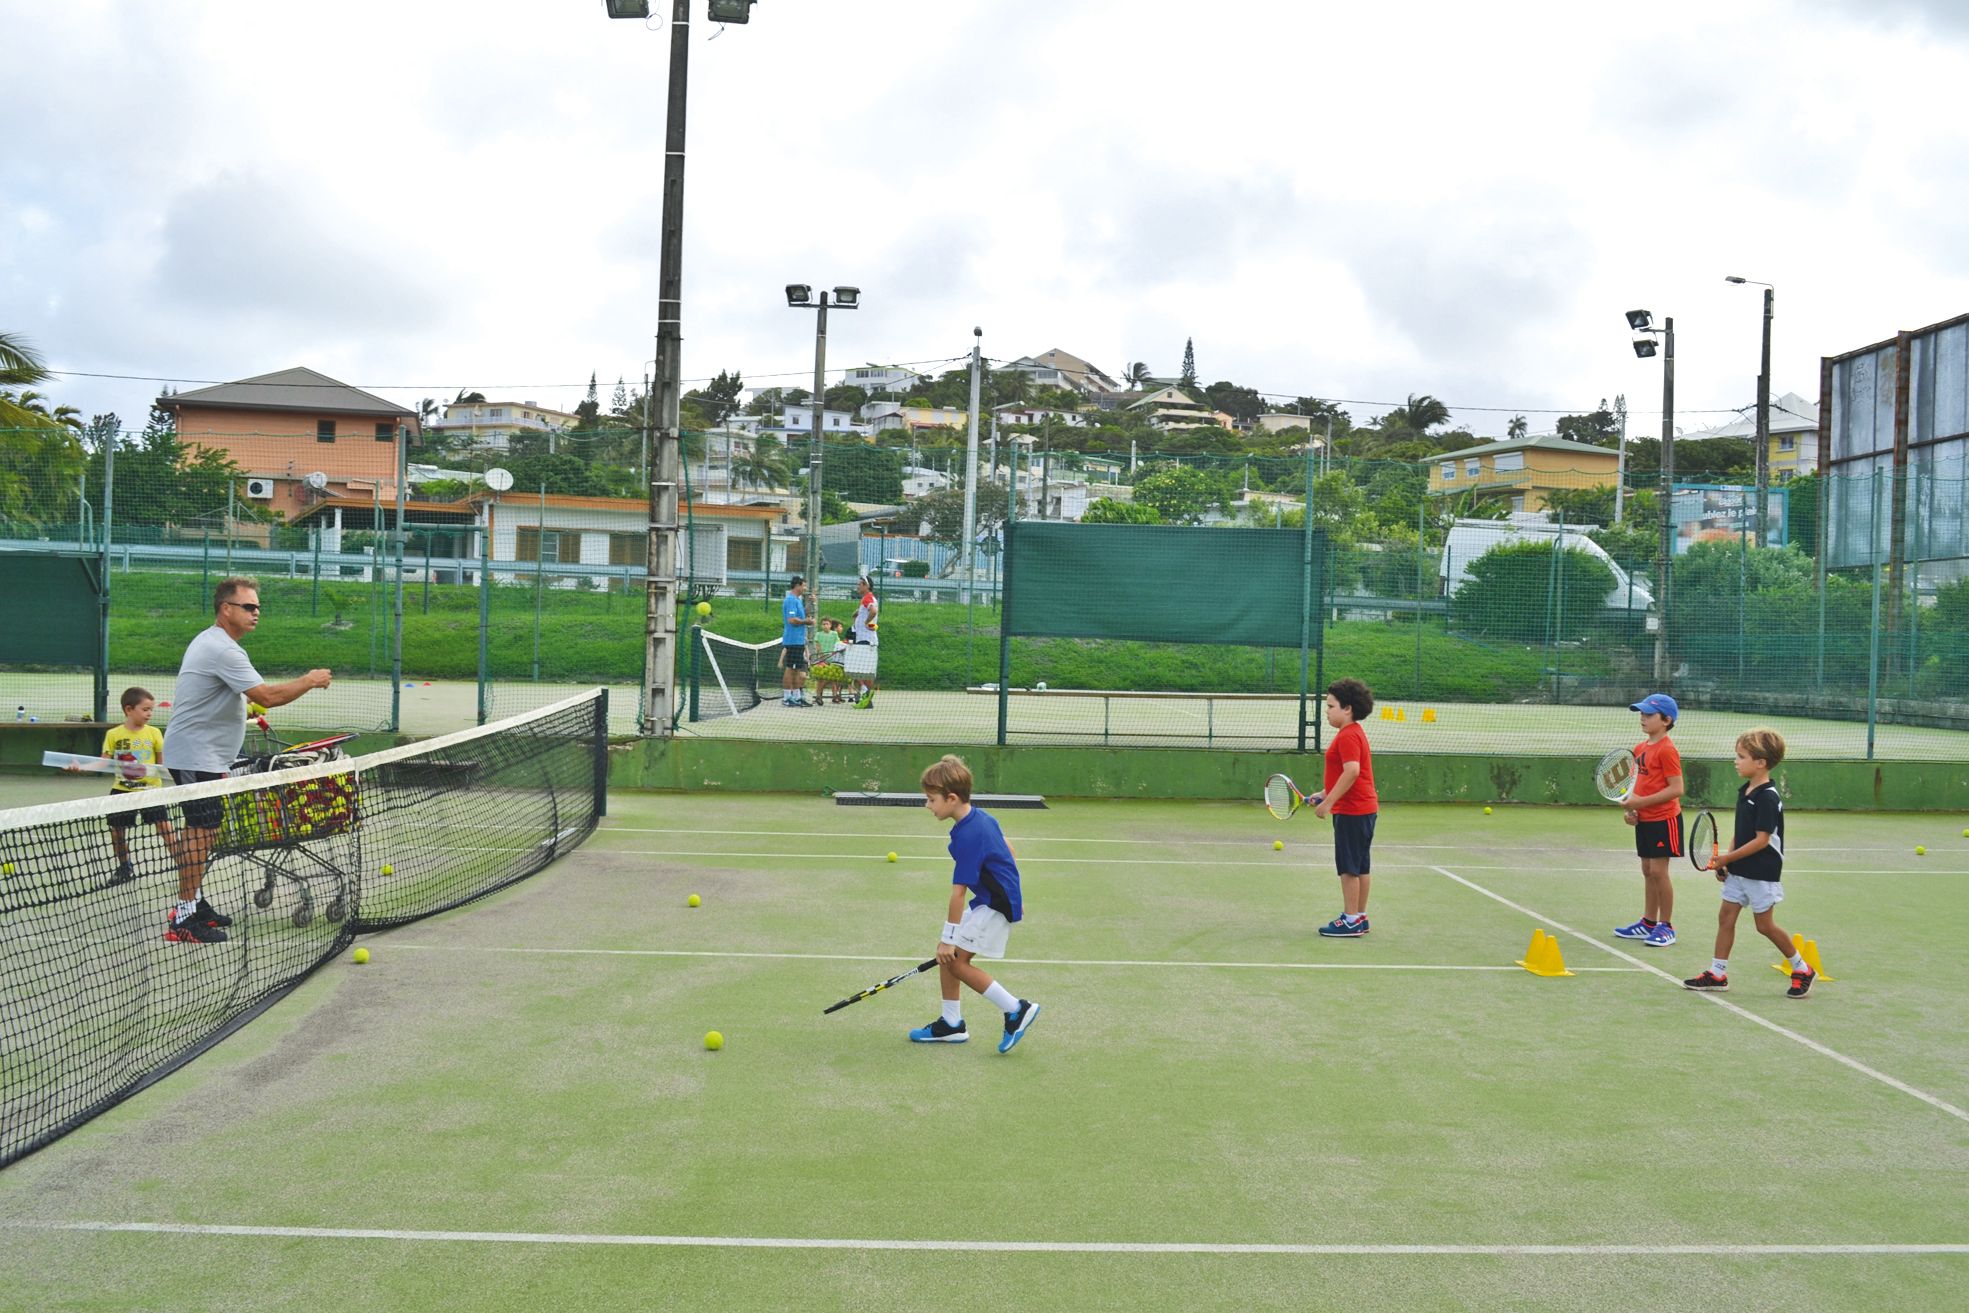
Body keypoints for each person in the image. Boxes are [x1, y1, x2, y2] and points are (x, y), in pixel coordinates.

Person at [160, 577, 331, 944]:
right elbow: (268, 696)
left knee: (205, 834)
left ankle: (195, 903)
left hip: (206, 755)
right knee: (199, 833)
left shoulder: (217, 643)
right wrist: (310, 680)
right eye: (248, 607)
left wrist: (241, 710)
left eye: (258, 607)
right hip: (195, 755)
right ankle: (183, 918)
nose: (256, 613)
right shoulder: (223, 649)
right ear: (226, 609)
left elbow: (233, 696)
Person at [911, 754, 1041, 1053]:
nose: (927, 806)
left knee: (955, 960)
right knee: (949, 959)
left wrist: (947, 938)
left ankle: (1016, 1009)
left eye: (931, 800)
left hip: (993, 904)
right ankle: (951, 1024)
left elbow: (957, 894)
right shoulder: (980, 817)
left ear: (952, 798)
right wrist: (1014, 893)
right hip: (992, 898)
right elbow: (1008, 849)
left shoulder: (969, 835)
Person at [1684, 729, 1815, 998]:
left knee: (1764, 925)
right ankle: (1718, 974)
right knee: (1726, 916)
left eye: (1741, 756)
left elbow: (1761, 841)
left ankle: (1802, 968)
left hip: (1762, 871)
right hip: (1740, 869)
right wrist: (1728, 862)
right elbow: (1741, 832)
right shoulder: (1746, 790)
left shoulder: (1768, 796)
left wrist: (1727, 858)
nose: (1736, 761)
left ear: (1761, 763)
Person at [1613, 693, 1685, 948]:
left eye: (1648, 714)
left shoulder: (1668, 750)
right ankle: (1648, 922)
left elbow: (1676, 789)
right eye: (1641, 714)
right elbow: (1637, 784)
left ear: (1666, 720)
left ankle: (1666, 926)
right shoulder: (1640, 749)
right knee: (1647, 871)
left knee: (1658, 871)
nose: (1642, 718)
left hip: (1665, 819)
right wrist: (1632, 809)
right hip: (1644, 818)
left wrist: (1639, 804)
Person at [1313, 678, 1379, 938]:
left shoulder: (1348, 736)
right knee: (1361, 865)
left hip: (1352, 811)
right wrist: (1323, 793)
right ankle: (1360, 917)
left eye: (1330, 706)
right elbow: (1347, 774)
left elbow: (1352, 771)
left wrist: (1329, 804)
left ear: (1347, 708)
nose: (1327, 711)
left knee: (1348, 867)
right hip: (1364, 809)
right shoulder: (1355, 733)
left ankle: (1350, 919)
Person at [93, 686, 174, 886]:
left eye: (151, 710)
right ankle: (124, 867)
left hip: (151, 791)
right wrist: (79, 766)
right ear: (129, 710)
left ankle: (184, 863)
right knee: (116, 831)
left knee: (166, 829)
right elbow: (103, 762)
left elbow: (161, 764)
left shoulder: (154, 733)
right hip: (122, 790)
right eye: (145, 709)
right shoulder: (113, 734)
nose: (149, 714)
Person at [779, 575, 815, 708]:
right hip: (793, 640)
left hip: (799, 641)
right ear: (797, 585)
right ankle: (787, 697)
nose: (805, 588)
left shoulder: (797, 600)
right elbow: (792, 620)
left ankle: (797, 697)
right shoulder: (790, 600)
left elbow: (801, 614)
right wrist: (807, 621)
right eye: (804, 585)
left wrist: (810, 603)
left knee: (796, 669)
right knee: (791, 669)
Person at [849, 575, 881, 710]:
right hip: (865, 639)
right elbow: (869, 609)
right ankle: (866, 697)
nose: (858, 586)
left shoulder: (868, 597)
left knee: (862, 671)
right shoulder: (867, 599)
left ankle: (866, 695)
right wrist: (858, 613)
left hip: (866, 640)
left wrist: (866, 622)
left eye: (860, 584)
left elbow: (873, 610)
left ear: (866, 586)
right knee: (861, 670)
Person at [811, 618, 849, 703]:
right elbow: (817, 646)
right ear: (821, 625)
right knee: (821, 679)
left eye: (827, 624)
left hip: (833, 659)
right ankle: (819, 696)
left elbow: (838, 644)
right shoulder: (818, 634)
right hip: (822, 660)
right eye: (823, 624)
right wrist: (821, 656)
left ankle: (835, 696)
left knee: (834, 679)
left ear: (830, 625)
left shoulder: (834, 634)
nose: (825, 626)